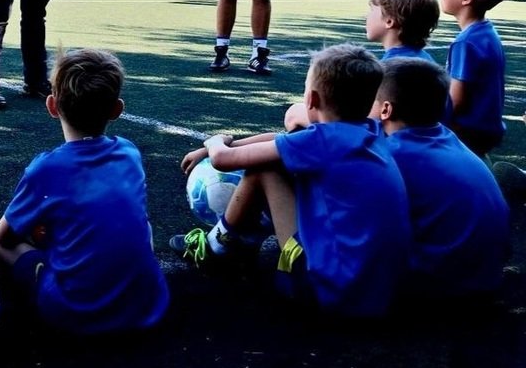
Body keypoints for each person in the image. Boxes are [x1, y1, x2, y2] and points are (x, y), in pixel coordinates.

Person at [174, 44, 411, 317]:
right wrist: (231, 144)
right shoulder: (368, 132)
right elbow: (284, 140)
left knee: (264, 169)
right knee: (284, 164)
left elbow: (223, 161)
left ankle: (215, 251)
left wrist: (214, 143)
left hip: (329, 293)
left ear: (310, 99)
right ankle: (241, 245)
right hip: (379, 293)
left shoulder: (324, 140)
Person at [0, 48, 168, 335]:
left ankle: (6, 306)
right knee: (140, 226)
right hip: (148, 304)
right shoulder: (129, 152)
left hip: (73, 312)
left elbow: (5, 237)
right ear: (117, 110)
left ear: (52, 105)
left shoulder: (47, 168)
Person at [373, 58, 509, 300]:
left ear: (386, 109)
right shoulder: (450, 139)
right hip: (486, 279)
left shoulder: (391, 155)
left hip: (440, 290)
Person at [284, 0, 439, 131]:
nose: (366, 16)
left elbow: (368, 124)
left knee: (295, 113)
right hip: (415, 141)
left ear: (390, 21)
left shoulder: (393, 70)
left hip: (385, 145)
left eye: (372, 9)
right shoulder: (425, 61)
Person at [439, 0, 514, 156]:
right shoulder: (487, 33)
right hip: (486, 131)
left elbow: (456, 101)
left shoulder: (466, 42)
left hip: (467, 134)